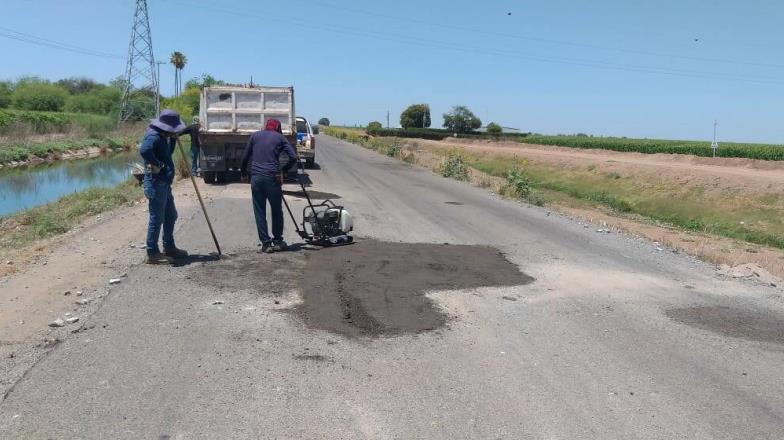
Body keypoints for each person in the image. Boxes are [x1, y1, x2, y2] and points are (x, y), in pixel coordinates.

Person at [139, 109, 190, 265]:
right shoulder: (153, 136)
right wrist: (157, 163)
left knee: (171, 215)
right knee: (157, 218)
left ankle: (169, 247)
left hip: (164, 182)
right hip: (156, 181)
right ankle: (152, 252)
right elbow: (144, 150)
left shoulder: (162, 136)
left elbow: (167, 153)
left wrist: (173, 139)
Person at [241, 119, 298, 253]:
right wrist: (283, 171)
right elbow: (293, 157)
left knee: (259, 211)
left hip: (256, 178)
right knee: (276, 210)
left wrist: (243, 173)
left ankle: (266, 244)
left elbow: (245, 157)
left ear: (266, 126)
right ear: (278, 127)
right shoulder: (280, 138)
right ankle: (278, 241)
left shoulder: (255, 136)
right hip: (273, 178)